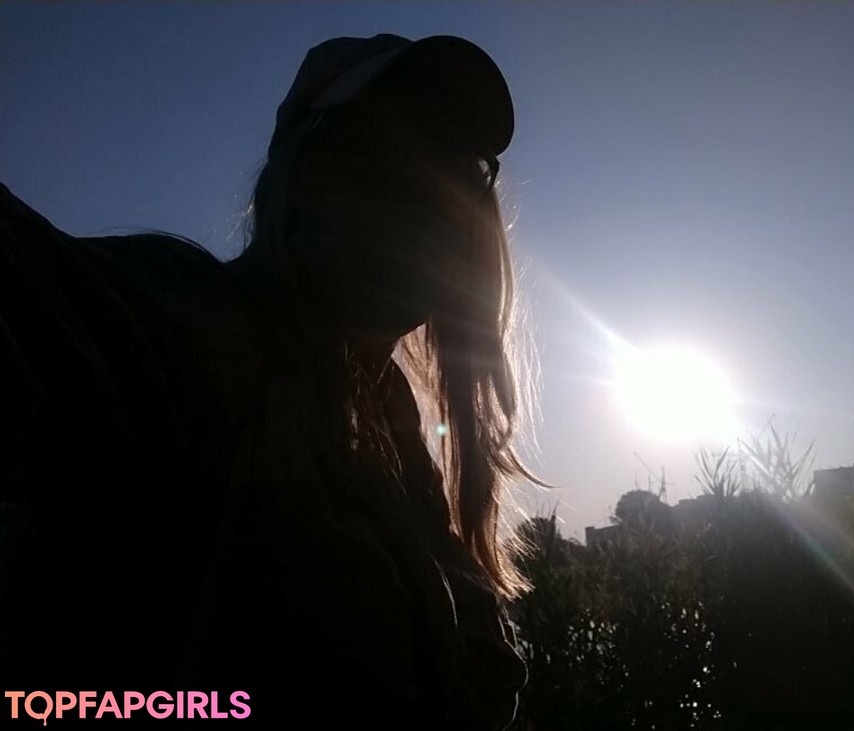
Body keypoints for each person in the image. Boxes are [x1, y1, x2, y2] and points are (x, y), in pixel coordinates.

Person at [0, 33, 541, 728]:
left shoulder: (400, 445)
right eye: (377, 150)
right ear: (295, 177)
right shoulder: (198, 326)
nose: (423, 194)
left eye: (456, 169)